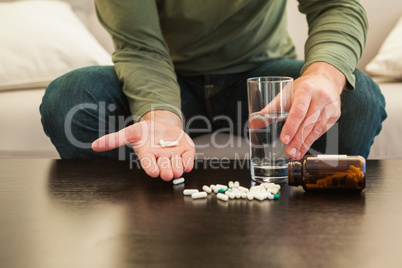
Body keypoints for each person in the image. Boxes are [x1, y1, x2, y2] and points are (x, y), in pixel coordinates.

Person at [40, 0, 386, 181]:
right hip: (167, 78)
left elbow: (334, 5)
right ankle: (144, 206)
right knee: (72, 96)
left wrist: (324, 75)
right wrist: (160, 116)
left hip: (260, 78)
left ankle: (311, 202)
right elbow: (140, 46)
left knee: (358, 96)